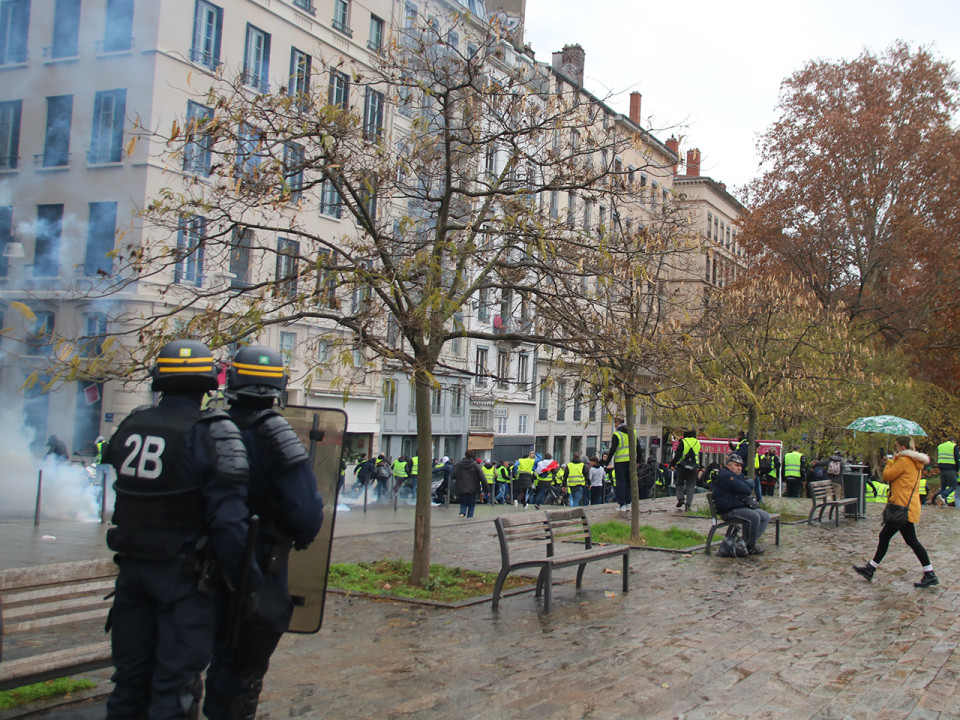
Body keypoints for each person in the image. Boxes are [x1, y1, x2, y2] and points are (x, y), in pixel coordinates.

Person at [104, 339, 256, 720]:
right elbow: (229, 523)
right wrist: (248, 580)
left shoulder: (132, 424)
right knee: (176, 692)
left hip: (132, 573)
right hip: (184, 579)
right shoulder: (211, 432)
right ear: (209, 382)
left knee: (129, 685)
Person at [204, 344, 324, 720]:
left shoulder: (209, 426)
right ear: (279, 386)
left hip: (203, 561)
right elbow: (306, 510)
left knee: (206, 656)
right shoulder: (274, 432)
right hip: (260, 562)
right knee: (244, 664)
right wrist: (299, 535)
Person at [854, 436, 938, 588]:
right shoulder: (915, 461)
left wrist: (890, 462)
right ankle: (871, 568)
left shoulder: (904, 460)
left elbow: (887, 476)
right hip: (907, 505)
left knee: (909, 540)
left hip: (901, 507)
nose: (896, 448)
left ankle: (930, 573)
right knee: (890, 537)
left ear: (902, 447)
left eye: (897, 446)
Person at [713, 453, 770, 555]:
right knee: (754, 517)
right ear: (729, 465)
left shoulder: (738, 475)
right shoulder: (726, 475)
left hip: (740, 506)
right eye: (736, 465)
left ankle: (745, 543)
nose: (739, 468)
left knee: (764, 516)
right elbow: (746, 489)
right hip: (729, 510)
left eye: (740, 466)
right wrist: (745, 484)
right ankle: (749, 546)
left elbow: (751, 483)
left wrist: (745, 483)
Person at [607, 418, 640, 512]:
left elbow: (613, 449)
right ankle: (628, 503)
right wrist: (638, 460)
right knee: (629, 482)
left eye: (615, 423)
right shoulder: (633, 432)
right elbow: (638, 447)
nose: (614, 425)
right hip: (631, 461)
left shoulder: (617, 434)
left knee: (620, 483)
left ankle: (622, 504)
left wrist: (607, 461)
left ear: (617, 423)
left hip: (620, 461)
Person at [671, 430, 702, 513]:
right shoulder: (697, 442)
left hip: (682, 466)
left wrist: (672, 464)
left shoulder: (683, 442)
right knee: (691, 486)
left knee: (679, 483)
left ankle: (680, 498)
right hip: (693, 467)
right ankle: (688, 504)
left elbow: (678, 455)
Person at [453, 449, 485, 518]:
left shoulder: (459, 465)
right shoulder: (476, 465)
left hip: (462, 487)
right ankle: (469, 518)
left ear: (465, 455)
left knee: (463, 502)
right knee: (472, 505)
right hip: (473, 488)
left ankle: (462, 512)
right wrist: (486, 489)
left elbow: (453, 474)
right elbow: (482, 477)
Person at [935, 436, 959, 509]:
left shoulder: (940, 446)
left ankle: (939, 500)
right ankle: (943, 496)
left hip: (942, 469)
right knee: (953, 485)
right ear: (953, 441)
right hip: (951, 468)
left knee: (943, 487)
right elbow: (956, 458)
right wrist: (957, 469)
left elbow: (937, 457)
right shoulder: (954, 446)